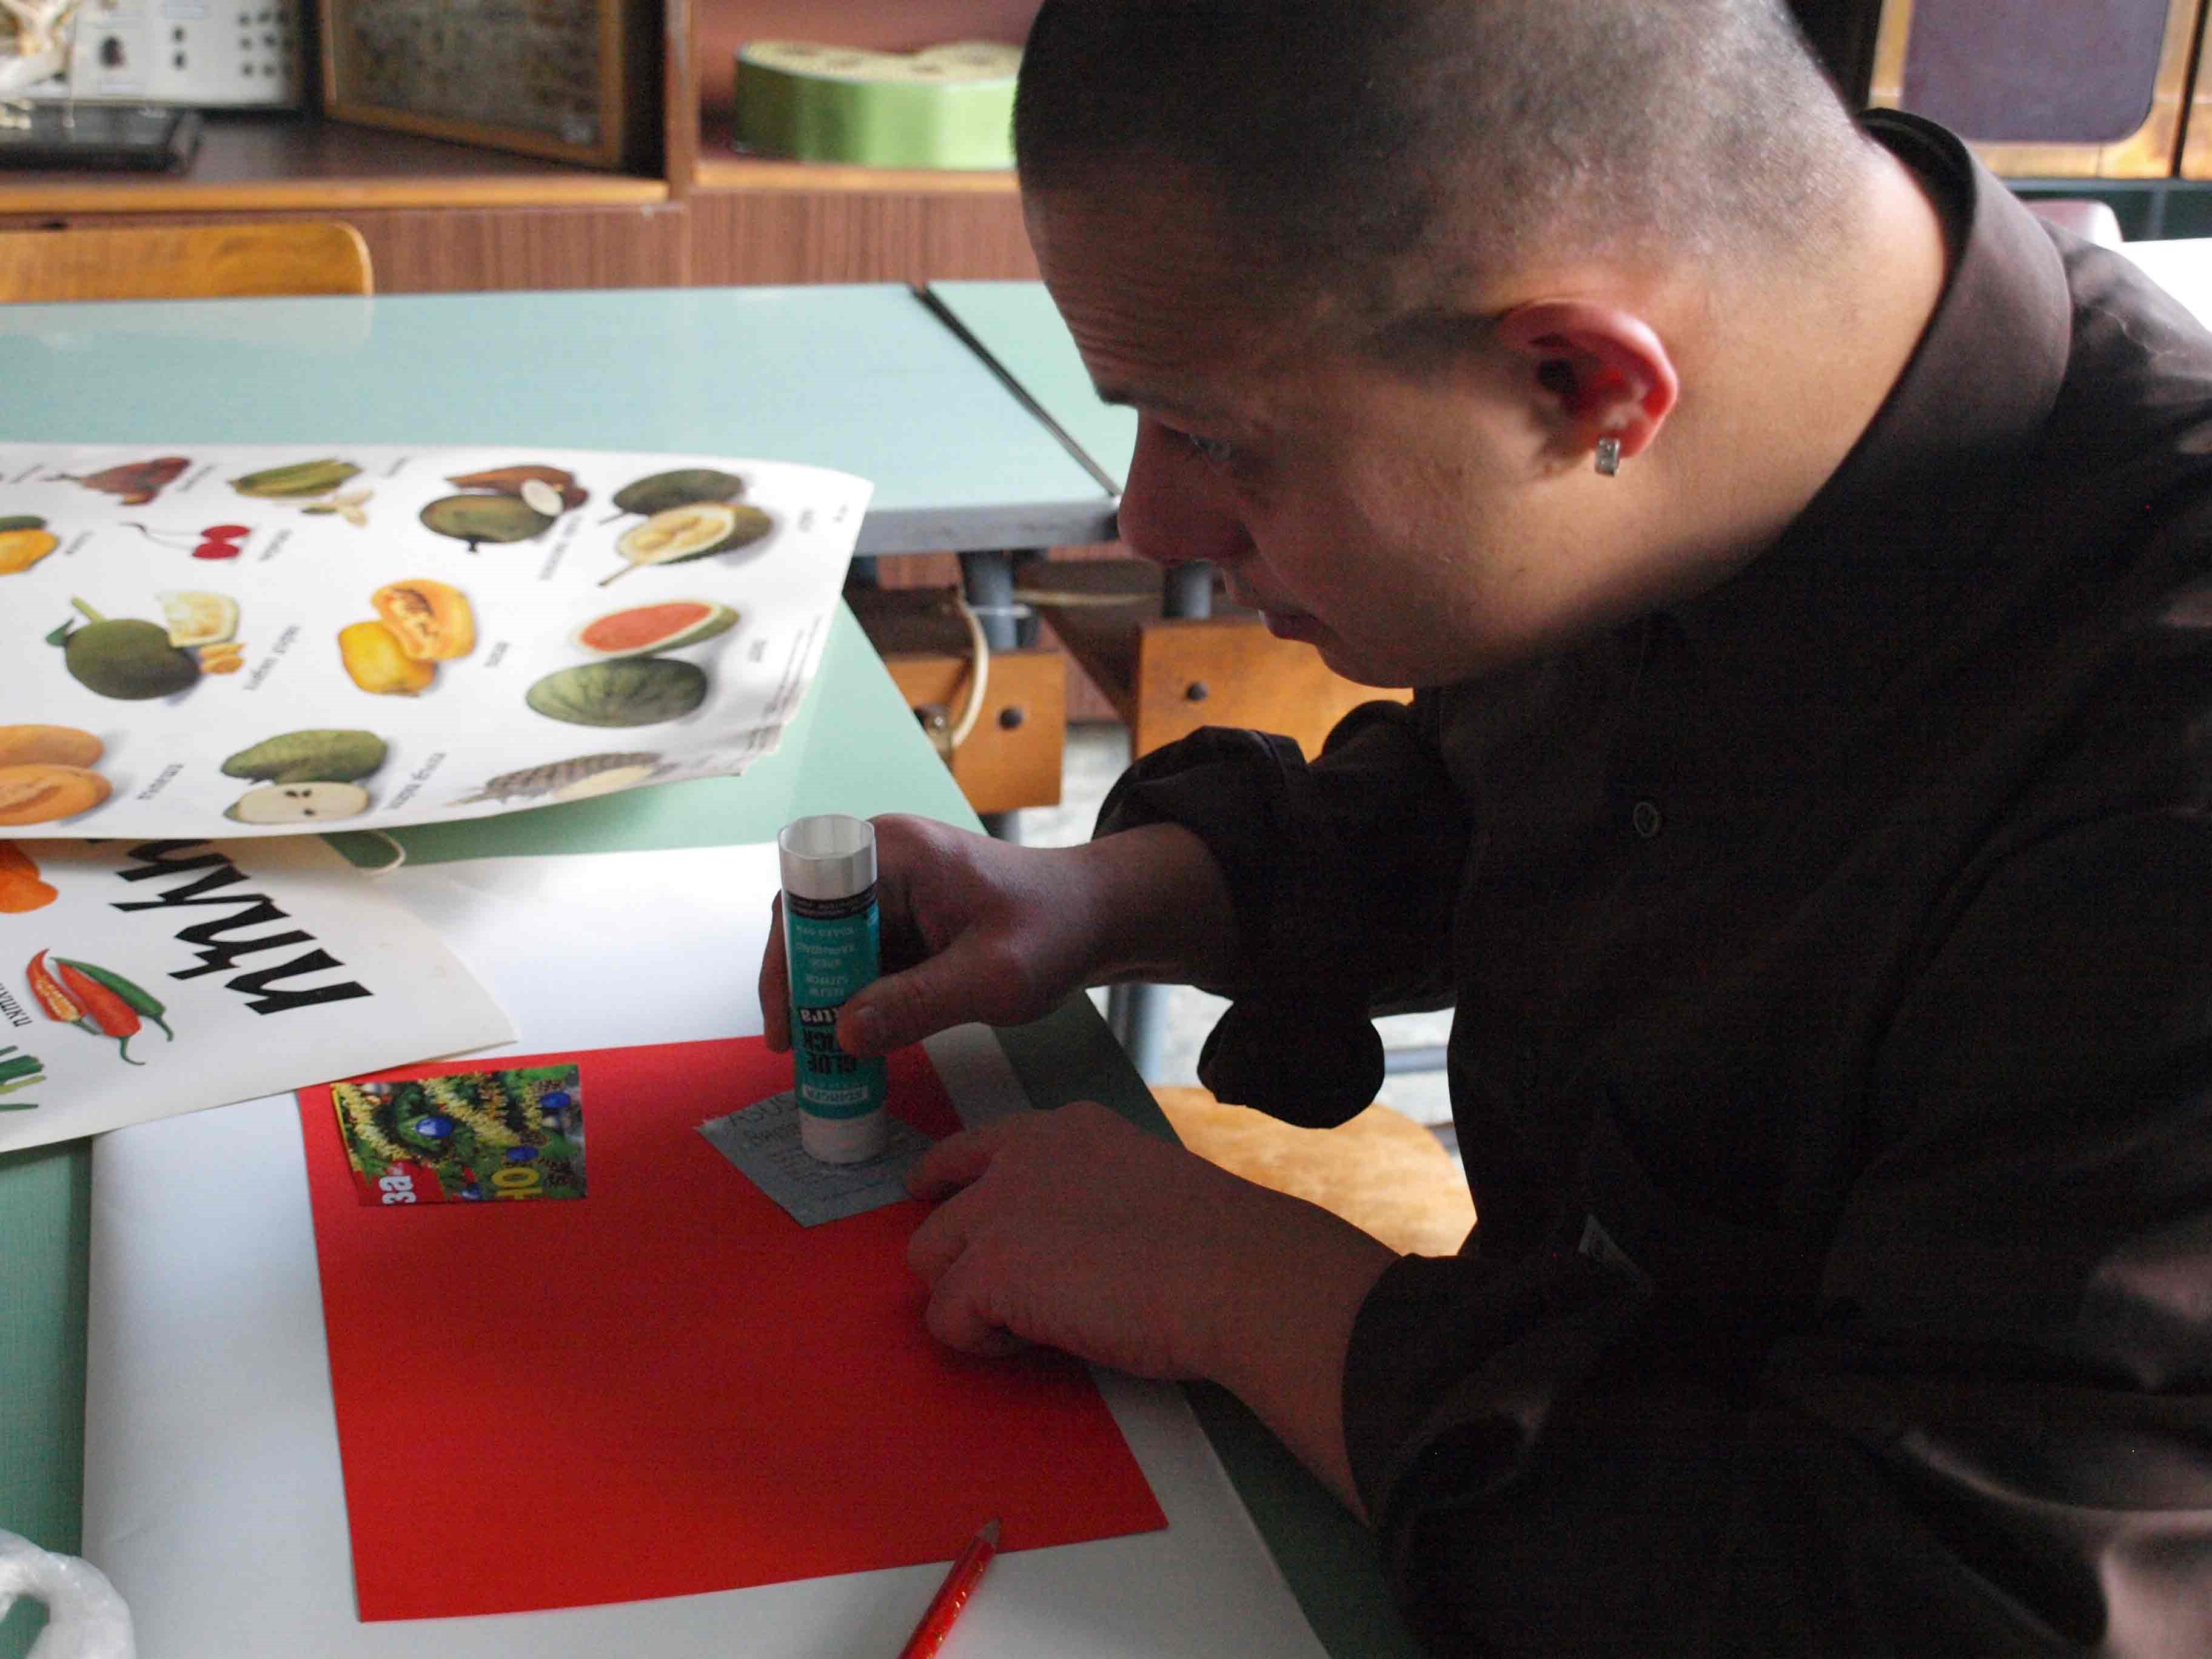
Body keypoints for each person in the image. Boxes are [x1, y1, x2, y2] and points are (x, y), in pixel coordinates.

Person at [760, 2, 2212, 1649]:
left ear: (1585, 382)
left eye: (1215, 435)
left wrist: (1260, 1294)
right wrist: (1113, 894)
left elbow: (1937, 1599)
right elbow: (1500, 796)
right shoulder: (1754, 401)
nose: (1151, 518)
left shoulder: (2154, 778)